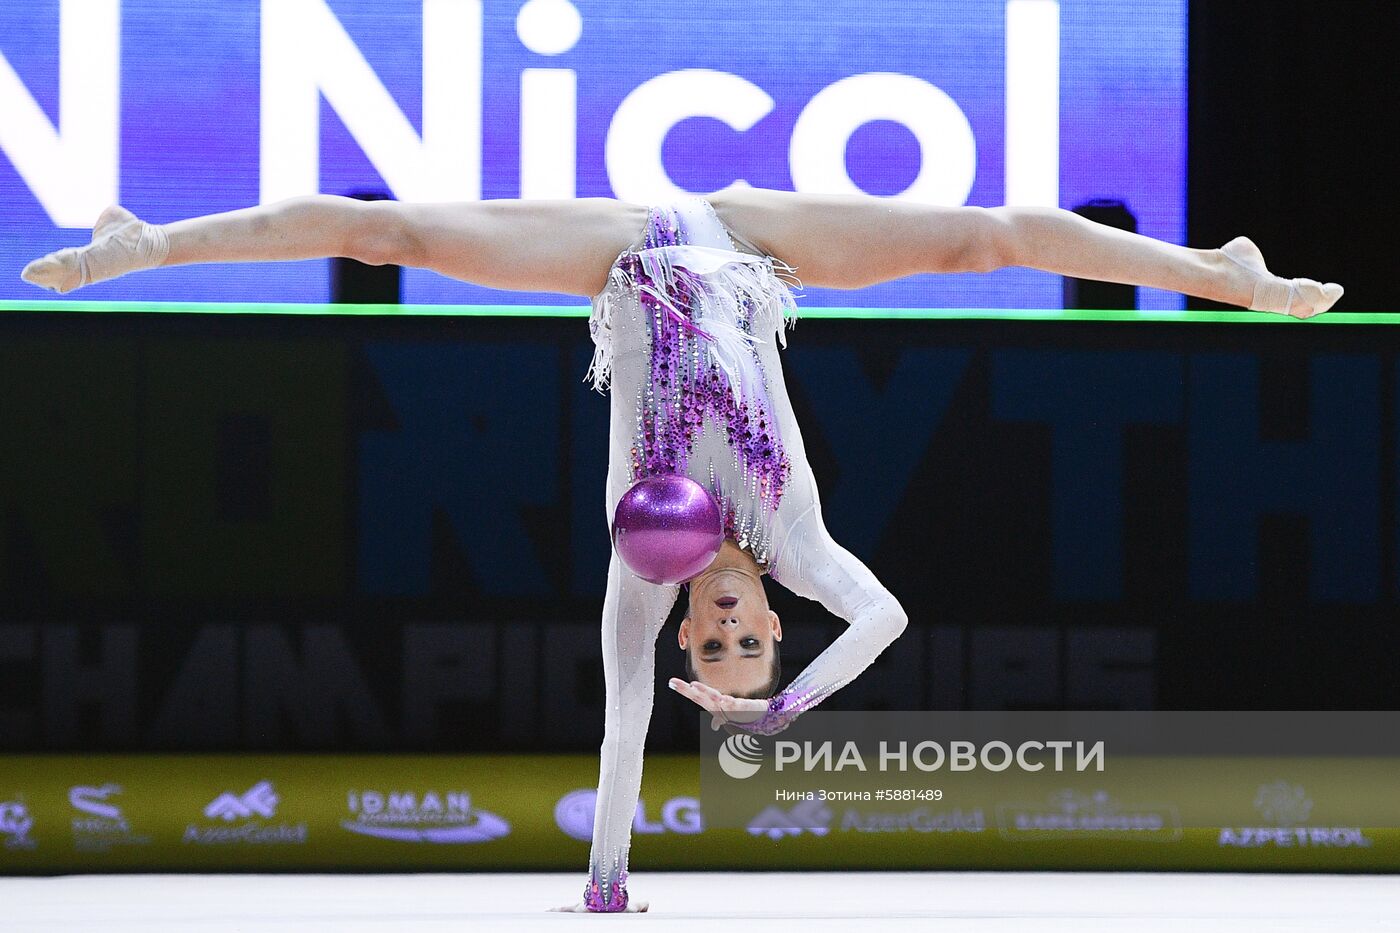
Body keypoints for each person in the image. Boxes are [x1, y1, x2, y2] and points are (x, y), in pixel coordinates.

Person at [20, 186, 1343, 911]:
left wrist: (607, 888)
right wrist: (781, 707)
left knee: (398, 233)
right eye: (743, 636)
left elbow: (622, 721)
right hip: (752, 238)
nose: (716, 630)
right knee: (981, 237)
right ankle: (1223, 268)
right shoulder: (797, 533)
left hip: (621, 258)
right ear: (764, 604)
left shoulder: (641, 570)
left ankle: (146, 247)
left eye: (711, 645)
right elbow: (880, 619)